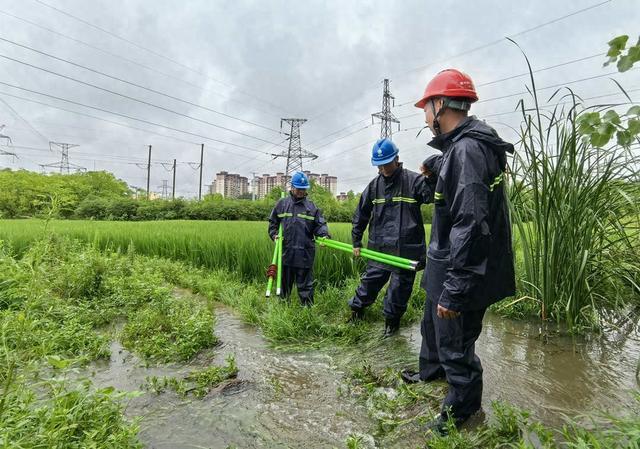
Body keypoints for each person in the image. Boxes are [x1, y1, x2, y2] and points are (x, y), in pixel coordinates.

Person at [402, 68, 516, 435]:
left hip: (461, 270)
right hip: (443, 263)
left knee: (456, 347)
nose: (423, 116)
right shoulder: (462, 149)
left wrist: (455, 288)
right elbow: (460, 190)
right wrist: (438, 167)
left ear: (440, 105)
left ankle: (462, 413)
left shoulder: (467, 151)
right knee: (432, 330)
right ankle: (430, 373)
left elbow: (472, 224)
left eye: (426, 107)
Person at [349, 138, 440, 337]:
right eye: (379, 165)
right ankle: (356, 313)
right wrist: (356, 240)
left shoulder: (413, 181)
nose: (383, 169)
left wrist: (432, 177)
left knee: (398, 293)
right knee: (368, 285)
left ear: (397, 159)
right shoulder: (374, 186)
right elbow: (361, 214)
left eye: (386, 164)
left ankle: (391, 327)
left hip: (405, 251)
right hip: (379, 249)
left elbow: (430, 195)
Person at [268, 171, 330, 306]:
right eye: (299, 188)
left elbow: (320, 225)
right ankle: (283, 311)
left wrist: (324, 235)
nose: (301, 191)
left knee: (306, 288)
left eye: (304, 189)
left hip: (305, 254)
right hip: (286, 254)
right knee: (284, 287)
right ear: (292, 187)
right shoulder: (282, 204)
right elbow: (273, 224)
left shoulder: (311, 207)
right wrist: (274, 235)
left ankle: (307, 313)